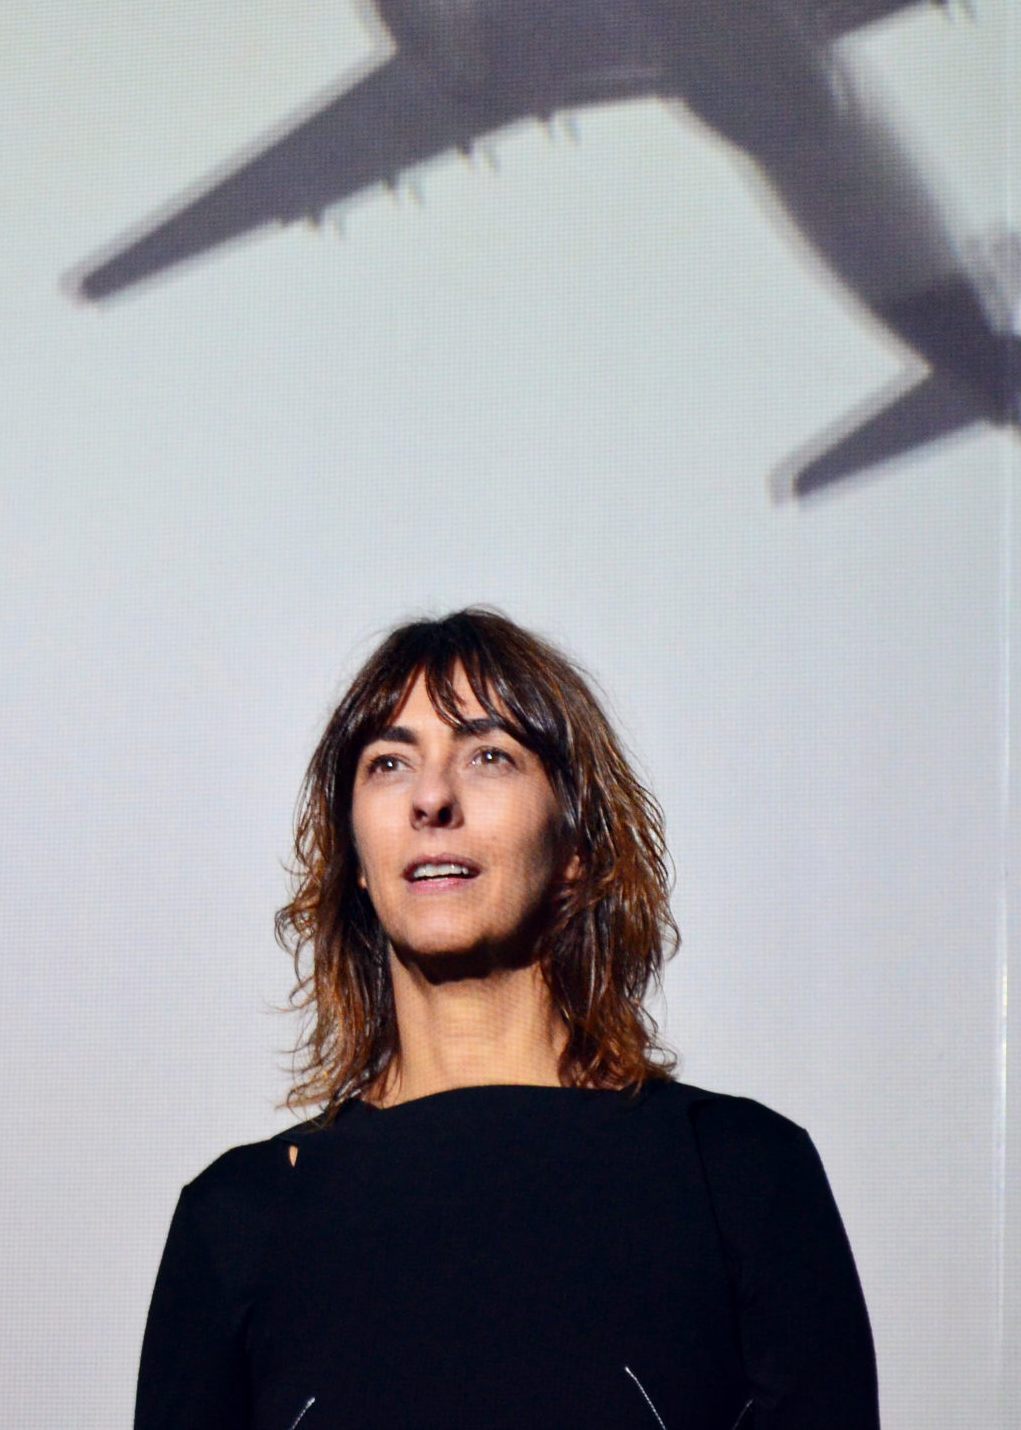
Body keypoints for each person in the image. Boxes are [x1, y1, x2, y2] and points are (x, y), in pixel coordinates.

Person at [135, 609, 879, 1430]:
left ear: (577, 846)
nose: (431, 798)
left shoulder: (740, 1178)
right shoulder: (236, 1220)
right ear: (355, 858)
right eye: (389, 763)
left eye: (489, 755)